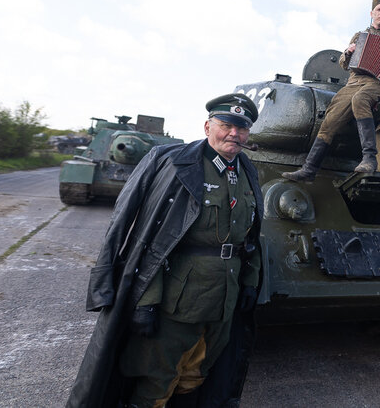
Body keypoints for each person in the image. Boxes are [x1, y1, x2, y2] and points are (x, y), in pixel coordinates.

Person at [67, 93, 264, 408]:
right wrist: (145, 301)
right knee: (156, 377)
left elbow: (251, 235)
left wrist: (251, 283)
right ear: (207, 126)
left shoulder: (246, 171)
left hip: (225, 296)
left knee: (196, 374)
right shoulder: (173, 162)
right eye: (225, 125)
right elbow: (151, 238)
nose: (234, 134)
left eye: (242, 129)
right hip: (177, 297)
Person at [282, 0, 380, 181]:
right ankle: (309, 169)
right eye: (379, 10)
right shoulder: (360, 36)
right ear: (371, 13)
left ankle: (369, 158)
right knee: (331, 117)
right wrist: (348, 52)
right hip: (354, 81)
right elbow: (344, 64)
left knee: (360, 100)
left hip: (378, 83)